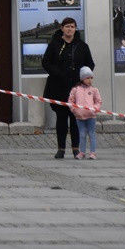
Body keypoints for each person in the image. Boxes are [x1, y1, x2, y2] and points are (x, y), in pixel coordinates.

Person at [41, 17, 94, 159]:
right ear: (62, 28)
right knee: (61, 117)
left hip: (77, 88)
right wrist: (57, 73)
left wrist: (82, 77)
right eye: (67, 26)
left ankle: (76, 148)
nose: (70, 29)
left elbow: (90, 64)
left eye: (72, 26)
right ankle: (61, 148)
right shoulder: (54, 44)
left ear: (75, 28)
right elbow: (46, 62)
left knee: (75, 118)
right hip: (58, 86)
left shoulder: (82, 46)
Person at [68, 66, 102, 160]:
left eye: (91, 78)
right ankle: (82, 152)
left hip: (91, 116)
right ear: (82, 78)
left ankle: (93, 152)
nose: (90, 80)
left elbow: (98, 101)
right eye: (87, 78)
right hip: (80, 116)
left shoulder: (94, 90)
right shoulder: (75, 90)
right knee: (82, 134)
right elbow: (70, 101)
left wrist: (95, 109)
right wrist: (75, 110)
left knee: (92, 134)